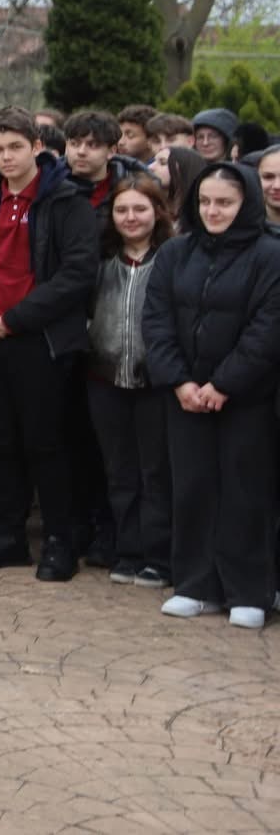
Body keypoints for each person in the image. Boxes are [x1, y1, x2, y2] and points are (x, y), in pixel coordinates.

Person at [0, 107, 97, 581]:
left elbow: (77, 273)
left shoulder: (67, 200)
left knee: (45, 444)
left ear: (37, 146)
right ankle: (9, 536)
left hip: (40, 341)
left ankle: (58, 541)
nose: (6, 157)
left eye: (15, 147)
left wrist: (14, 319)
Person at [144, 161, 280, 628]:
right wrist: (180, 381)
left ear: (247, 204)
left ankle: (249, 590)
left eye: (224, 202)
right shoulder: (176, 252)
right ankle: (196, 584)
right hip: (184, 394)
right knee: (193, 487)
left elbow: (268, 329)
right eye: (204, 202)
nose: (213, 211)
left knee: (246, 492)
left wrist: (224, 384)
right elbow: (156, 320)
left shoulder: (270, 255)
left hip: (247, 397)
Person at [85, 175, 174, 590]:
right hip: (104, 377)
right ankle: (129, 549)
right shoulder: (101, 259)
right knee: (119, 471)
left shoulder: (172, 258)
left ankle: (159, 556)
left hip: (155, 382)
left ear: (158, 211)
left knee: (155, 471)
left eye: (140, 209)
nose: (131, 217)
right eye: (122, 210)